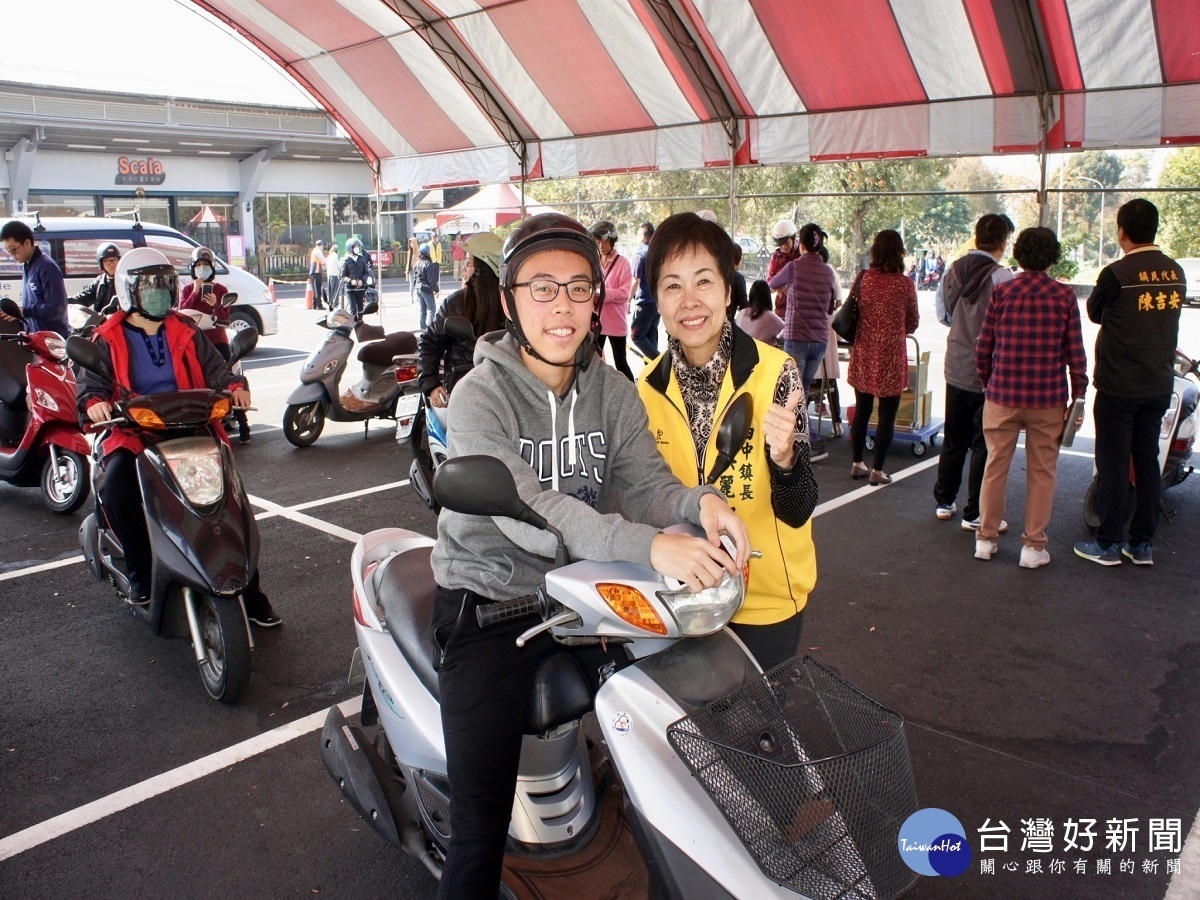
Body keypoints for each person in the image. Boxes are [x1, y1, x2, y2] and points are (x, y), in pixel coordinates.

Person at [429, 211, 749, 898]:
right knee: (478, 819)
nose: (564, 306)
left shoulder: (609, 389)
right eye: (542, 288)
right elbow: (536, 511)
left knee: (681, 738)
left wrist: (700, 506)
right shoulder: (478, 398)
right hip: (494, 607)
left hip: (585, 596)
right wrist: (651, 545)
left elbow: (644, 483)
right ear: (510, 300)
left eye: (579, 288)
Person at [639, 211, 817, 669]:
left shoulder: (777, 372)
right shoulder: (645, 387)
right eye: (673, 285)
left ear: (728, 288)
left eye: (704, 281)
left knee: (759, 733)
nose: (690, 301)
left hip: (765, 599)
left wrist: (785, 460)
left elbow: (799, 508)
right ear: (656, 296)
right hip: (682, 595)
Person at [75, 248, 278, 626]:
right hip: (135, 431)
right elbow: (91, 384)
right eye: (151, 286)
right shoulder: (107, 337)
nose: (161, 293)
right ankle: (140, 572)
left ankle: (250, 590)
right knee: (118, 488)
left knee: (231, 502)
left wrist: (235, 385)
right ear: (128, 290)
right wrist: (94, 402)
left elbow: (218, 369)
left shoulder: (185, 328)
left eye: (166, 284)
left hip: (191, 425)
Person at [1075, 198, 1185, 567]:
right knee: (1147, 460)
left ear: (1122, 232)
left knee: (1114, 463)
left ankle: (1107, 542)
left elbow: (1093, 313)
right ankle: (1140, 544)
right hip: (1157, 384)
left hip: (1119, 385)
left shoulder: (1116, 273)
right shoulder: (1175, 273)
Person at [974, 227, 1088, 568]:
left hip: (1002, 395)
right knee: (1042, 472)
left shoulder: (1004, 292)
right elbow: (1075, 353)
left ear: (1019, 254)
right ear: (1053, 257)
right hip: (1048, 398)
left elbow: (983, 348)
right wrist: (1078, 395)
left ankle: (985, 539)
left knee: (995, 467)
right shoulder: (1064, 296)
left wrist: (988, 383)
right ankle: (1033, 547)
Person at [932, 214, 1015, 529]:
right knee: (983, 440)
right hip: (988, 371)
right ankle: (974, 512)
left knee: (953, 437)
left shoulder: (951, 271)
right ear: (1003, 242)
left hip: (955, 364)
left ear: (977, 237)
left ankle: (944, 501)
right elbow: (1008, 327)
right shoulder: (1002, 278)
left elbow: (942, 314)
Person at [847, 230, 919, 485]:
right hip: (890, 357)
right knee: (887, 415)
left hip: (864, 353)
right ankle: (877, 469)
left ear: (875, 251)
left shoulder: (863, 279)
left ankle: (857, 463)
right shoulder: (905, 284)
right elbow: (913, 322)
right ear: (899, 253)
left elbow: (851, 311)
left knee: (863, 411)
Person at [767, 223, 839, 462]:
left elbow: (771, 284)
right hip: (819, 339)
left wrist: (790, 288)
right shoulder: (828, 272)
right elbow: (830, 306)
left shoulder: (794, 267)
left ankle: (812, 442)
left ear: (802, 243)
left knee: (793, 392)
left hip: (796, 336)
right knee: (803, 390)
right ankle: (802, 440)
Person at [417, 231, 504, 408]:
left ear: (482, 271)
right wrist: (431, 384)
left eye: (469, 263)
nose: (464, 268)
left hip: (504, 391)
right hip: (462, 390)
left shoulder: (513, 304)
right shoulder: (456, 303)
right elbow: (430, 341)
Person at [179, 246, 251, 444]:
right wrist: (195, 292)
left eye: (206, 265)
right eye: (199, 265)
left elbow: (225, 318)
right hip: (193, 341)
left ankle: (243, 422)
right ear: (193, 268)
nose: (202, 269)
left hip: (217, 340)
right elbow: (181, 314)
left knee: (227, 377)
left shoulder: (220, 291)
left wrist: (214, 305)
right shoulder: (186, 289)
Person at [1, 220, 69, 337]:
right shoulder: (27, 266)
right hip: (36, 338)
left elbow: (58, 308)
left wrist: (25, 311)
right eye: (8, 250)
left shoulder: (46, 266)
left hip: (52, 341)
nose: (12, 255)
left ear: (27, 243)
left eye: (13, 249)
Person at [590, 221, 634, 380]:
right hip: (598, 322)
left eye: (605, 241)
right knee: (593, 361)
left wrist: (600, 294)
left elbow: (624, 293)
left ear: (613, 241)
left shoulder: (623, 263)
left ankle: (632, 393)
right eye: (598, 241)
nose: (601, 245)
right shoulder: (594, 262)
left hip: (615, 322)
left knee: (620, 363)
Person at [815, 241, 845, 438]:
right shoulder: (830, 272)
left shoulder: (807, 271)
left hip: (810, 327)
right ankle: (836, 422)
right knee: (830, 380)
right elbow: (840, 301)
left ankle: (807, 425)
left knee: (808, 380)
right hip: (827, 325)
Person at [629, 222, 659, 360]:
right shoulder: (657, 253)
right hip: (656, 301)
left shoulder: (640, 255)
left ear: (642, 236)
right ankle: (654, 375)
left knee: (637, 336)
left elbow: (636, 280)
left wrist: (628, 301)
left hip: (644, 302)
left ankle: (660, 364)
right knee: (650, 335)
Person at [69, 242, 123, 314]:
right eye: (107, 261)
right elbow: (83, 298)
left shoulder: (125, 281)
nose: (112, 264)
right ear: (101, 263)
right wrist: (63, 301)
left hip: (122, 322)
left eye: (114, 260)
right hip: (104, 322)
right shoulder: (100, 281)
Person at [767, 219, 798, 318]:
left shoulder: (802, 255)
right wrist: (778, 287)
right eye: (781, 244)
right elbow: (770, 279)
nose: (784, 247)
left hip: (799, 307)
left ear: (793, 238)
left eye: (787, 243)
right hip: (781, 307)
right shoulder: (776, 256)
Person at [340, 238, 373, 322]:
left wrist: (362, 280)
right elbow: (342, 276)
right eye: (355, 246)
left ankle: (360, 325)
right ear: (350, 248)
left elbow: (366, 273)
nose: (357, 248)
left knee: (361, 310)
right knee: (353, 310)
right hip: (351, 290)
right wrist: (350, 281)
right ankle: (353, 325)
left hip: (361, 289)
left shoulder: (361, 259)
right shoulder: (346, 260)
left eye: (358, 246)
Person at [412, 242, 440, 330]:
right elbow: (431, 279)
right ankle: (429, 330)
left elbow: (415, 276)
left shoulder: (417, 263)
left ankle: (423, 329)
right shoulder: (428, 264)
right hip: (426, 288)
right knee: (432, 309)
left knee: (422, 310)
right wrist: (436, 289)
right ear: (428, 252)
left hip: (418, 287)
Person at [308, 239, 327, 310]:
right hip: (316, 272)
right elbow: (323, 260)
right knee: (318, 289)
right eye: (322, 246)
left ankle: (314, 305)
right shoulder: (318, 251)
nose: (322, 248)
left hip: (313, 272)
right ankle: (319, 305)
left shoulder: (314, 251)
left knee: (315, 289)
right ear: (320, 246)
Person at [324, 243, 341, 309]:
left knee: (330, 290)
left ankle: (330, 302)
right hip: (335, 274)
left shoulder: (329, 256)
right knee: (335, 290)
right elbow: (339, 265)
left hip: (329, 274)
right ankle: (335, 303)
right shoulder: (335, 256)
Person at [406, 236, 420, 305]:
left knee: (417, 284)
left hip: (416, 270)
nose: (411, 245)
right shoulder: (409, 251)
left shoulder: (418, 251)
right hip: (410, 270)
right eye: (410, 243)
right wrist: (406, 269)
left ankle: (418, 297)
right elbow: (408, 261)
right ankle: (411, 298)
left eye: (412, 243)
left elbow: (419, 260)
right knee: (411, 284)